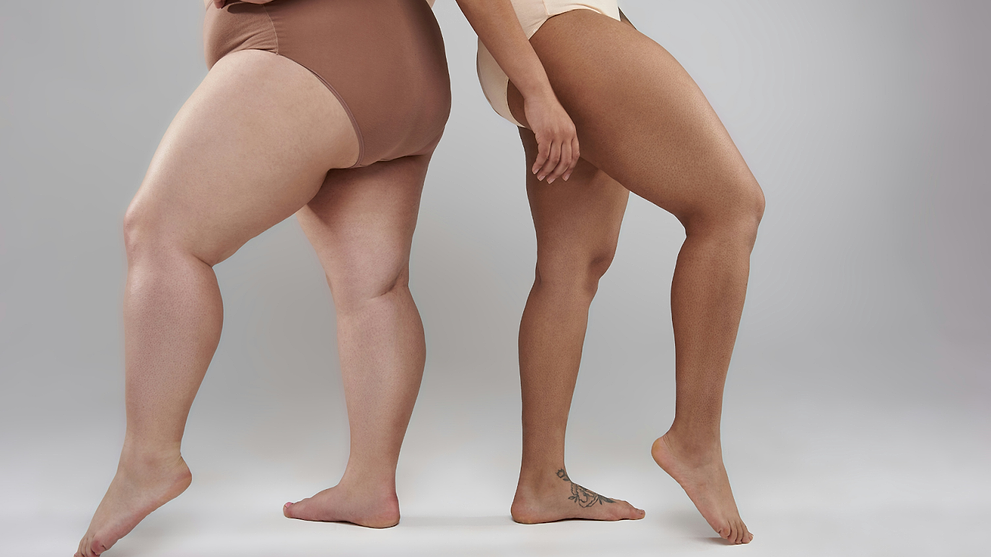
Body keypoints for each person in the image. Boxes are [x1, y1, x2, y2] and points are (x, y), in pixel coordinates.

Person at [75, 1, 454, 555]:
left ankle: (149, 460)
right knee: (374, 287)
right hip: (412, 65)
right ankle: (369, 486)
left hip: (315, 50)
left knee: (160, 234)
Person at [456, 0, 764, 544]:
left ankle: (542, 483)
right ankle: (694, 440)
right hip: (549, 29)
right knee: (731, 207)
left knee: (573, 266)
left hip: (546, 37)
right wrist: (539, 89)